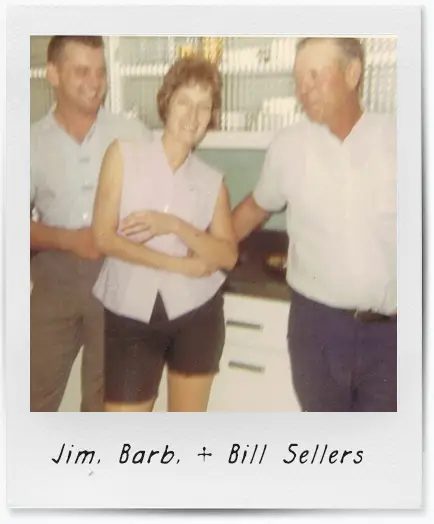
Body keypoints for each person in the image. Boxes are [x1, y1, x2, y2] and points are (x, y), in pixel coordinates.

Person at [232, 37, 397, 412]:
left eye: (314, 76)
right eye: (298, 79)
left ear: (352, 74)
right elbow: (255, 208)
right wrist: (203, 248)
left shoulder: (400, 140)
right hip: (316, 331)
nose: (302, 90)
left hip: (391, 336)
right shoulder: (289, 146)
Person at [92, 56, 238, 412]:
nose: (193, 115)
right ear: (166, 102)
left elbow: (227, 255)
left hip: (196, 315)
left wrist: (174, 226)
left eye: (204, 107)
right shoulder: (123, 156)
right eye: (185, 102)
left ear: (211, 117)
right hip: (131, 314)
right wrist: (179, 263)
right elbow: (103, 238)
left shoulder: (212, 181)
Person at [30, 35, 152, 412]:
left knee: (104, 403)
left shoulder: (133, 134)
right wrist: (69, 240)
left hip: (118, 278)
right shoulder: (27, 143)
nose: (95, 82)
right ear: (53, 73)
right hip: (55, 279)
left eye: (100, 71)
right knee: (33, 395)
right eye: (81, 71)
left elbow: (164, 199)